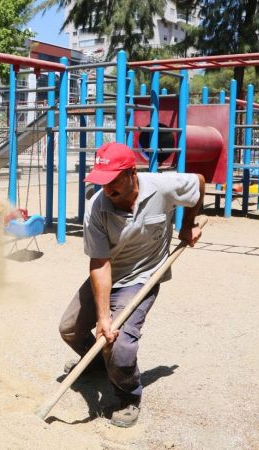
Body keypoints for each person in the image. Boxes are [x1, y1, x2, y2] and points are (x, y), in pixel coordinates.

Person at [58, 142, 205, 428]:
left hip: (143, 278)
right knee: (70, 329)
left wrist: (189, 223)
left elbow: (198, 183)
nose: (107, 189)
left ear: (131, 174)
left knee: (121, 347)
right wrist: (103, 317)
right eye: (102, 182)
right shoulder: (96, 208)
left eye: (113, 181)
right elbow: (100, 264)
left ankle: (127, 397)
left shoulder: (161, 186)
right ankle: (100, 364)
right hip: (110, 275)